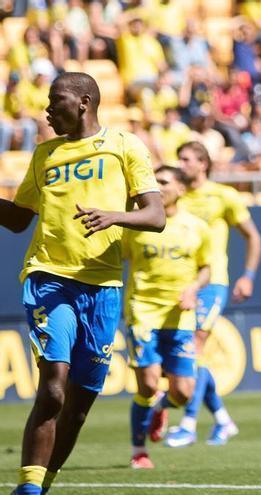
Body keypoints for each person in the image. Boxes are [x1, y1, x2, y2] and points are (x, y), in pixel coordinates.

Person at [0, 72, 165, 495]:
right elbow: (19, 220)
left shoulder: (124, 146)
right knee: (53, 387)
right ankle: (28, 489)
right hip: (49, 277)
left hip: (103, 286)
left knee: (78, 404)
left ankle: (42, 484)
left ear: (85, 102)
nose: (48, 110)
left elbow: (155, 216)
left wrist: (115, 216)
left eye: (57, 101)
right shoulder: (44, 155)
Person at [163, 141, 261, 448]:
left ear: (203, 163)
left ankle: (188, 425)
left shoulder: (223, 196)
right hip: (179, 284)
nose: (181, 163)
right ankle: (222, 420)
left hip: (212, 282)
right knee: (187, 357)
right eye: (178, 158)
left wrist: (247, 276)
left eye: (187, 158)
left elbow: (253, 237)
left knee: (193, 349)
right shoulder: (174, 197)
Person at [123, 166, 212, 469]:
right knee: (147, 385)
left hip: (180, 316)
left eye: (164, 182)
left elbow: (206, 267)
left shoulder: (196, 227)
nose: (157, 187)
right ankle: (139, 450)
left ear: (182, 189)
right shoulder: (134, 225)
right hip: (143, 312)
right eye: (154, 182)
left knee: (184, 393)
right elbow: (113, 257)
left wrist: (194, 289)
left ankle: (162, 407)